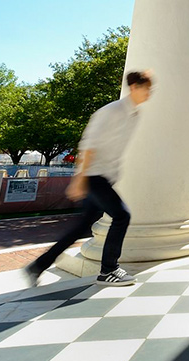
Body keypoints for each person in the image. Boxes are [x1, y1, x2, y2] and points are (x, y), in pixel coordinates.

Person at [24, 71, 153, 287]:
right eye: (147, 88)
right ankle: (108, 271)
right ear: (134, 87)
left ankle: (37, 266)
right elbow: (88, 146)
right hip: (94, 176)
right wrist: (79, 180)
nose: (150, 93)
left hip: (105, 178)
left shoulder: (135, 115)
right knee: (122, 215)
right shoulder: (111, 111)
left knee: (82, 227)